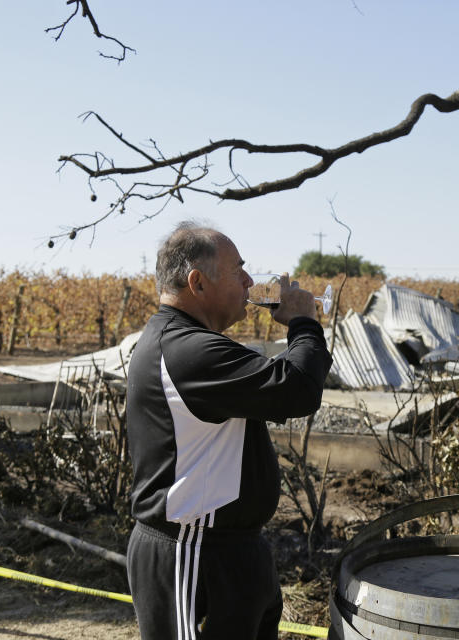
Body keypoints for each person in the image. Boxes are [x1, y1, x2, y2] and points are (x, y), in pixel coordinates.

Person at [125, 222, 332, 640]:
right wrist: (303, 323)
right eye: (238, 270)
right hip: (194, 554)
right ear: (197, 282)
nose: (250, 281)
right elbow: (297, 390)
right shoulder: (187, 351)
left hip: (227, 551)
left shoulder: (193, 345)